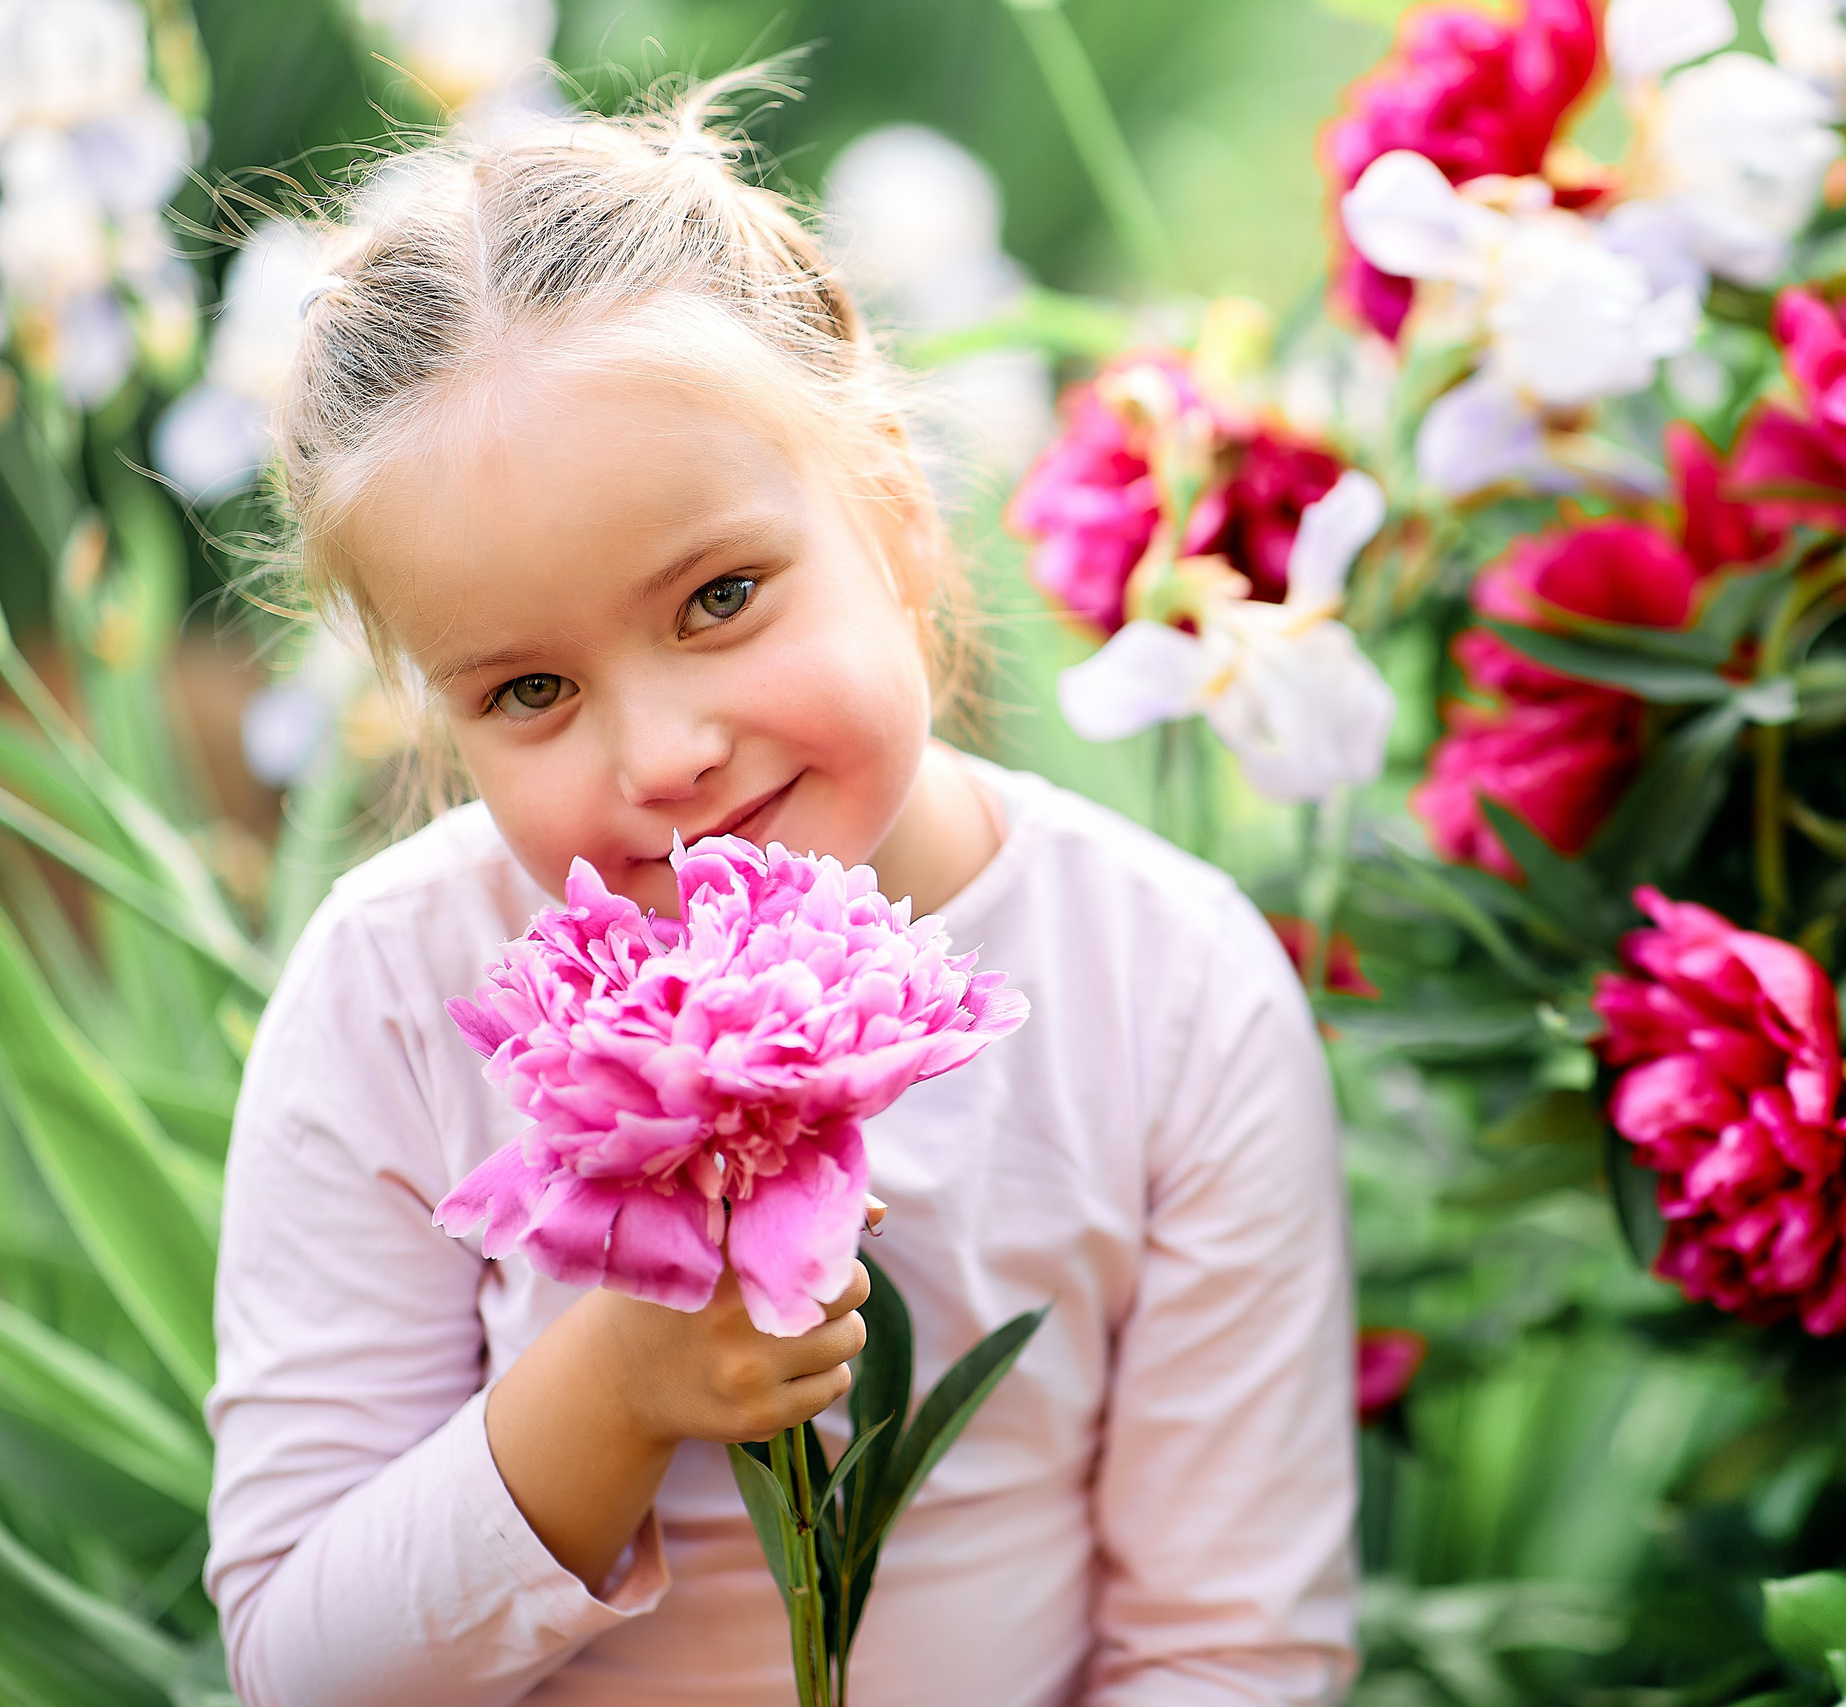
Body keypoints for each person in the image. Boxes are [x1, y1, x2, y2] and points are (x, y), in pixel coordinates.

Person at [203, 75, 1357, 1707]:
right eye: (527, 693)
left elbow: (1228, 1652)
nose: (661, 755)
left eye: (720, 597)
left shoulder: (1166, 986)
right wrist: (615, 1383)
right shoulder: (392, 998)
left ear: (887, 501)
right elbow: (301, 1669)